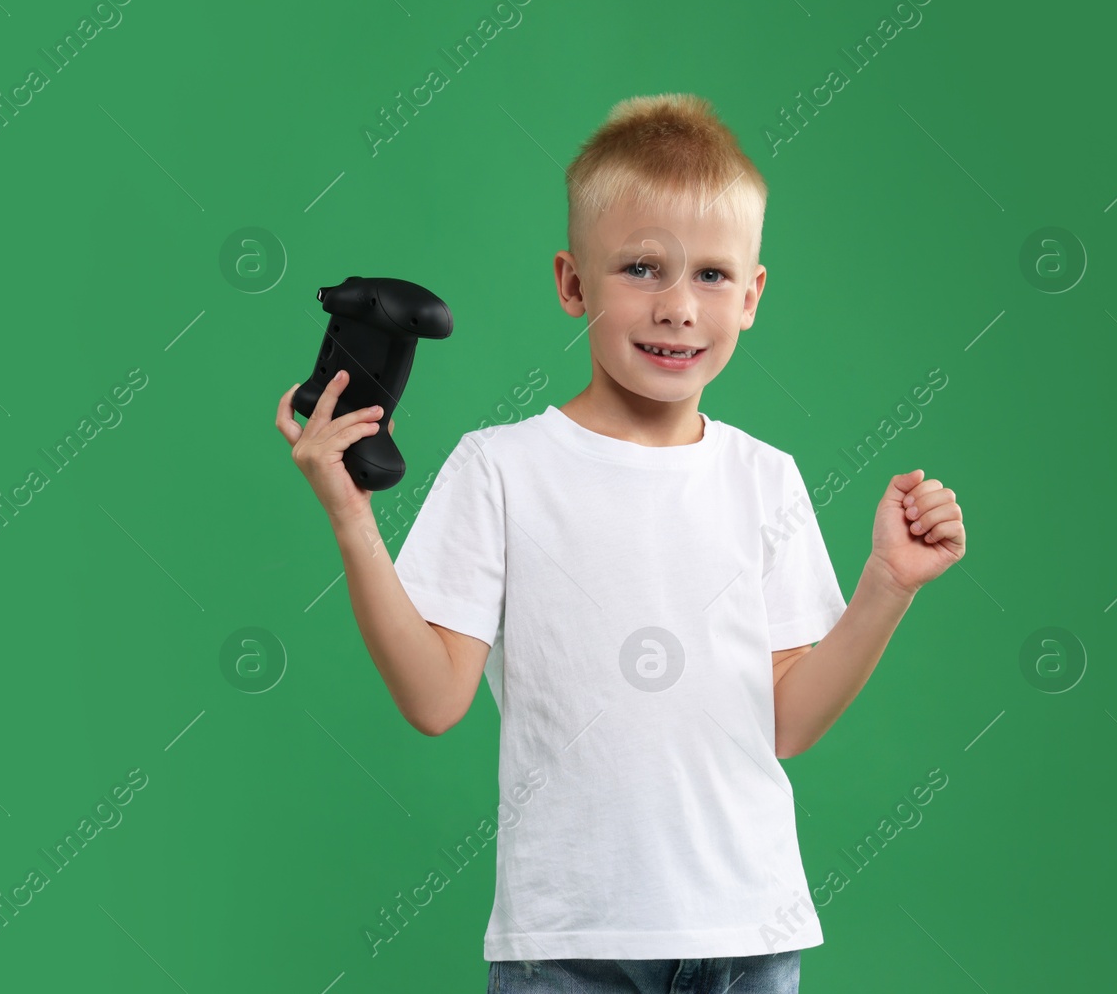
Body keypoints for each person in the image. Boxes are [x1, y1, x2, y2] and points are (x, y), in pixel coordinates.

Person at [275, 92, 967, 994]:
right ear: (573, 284)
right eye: (642, 267)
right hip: (567, 950)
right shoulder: (502, 469)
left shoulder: (767, 478)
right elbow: (435, 697)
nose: (678, 307)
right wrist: (350, 515)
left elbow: (787, 720)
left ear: (753, 295)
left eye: (713, 276)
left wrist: (887, 583)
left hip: (748, 940)